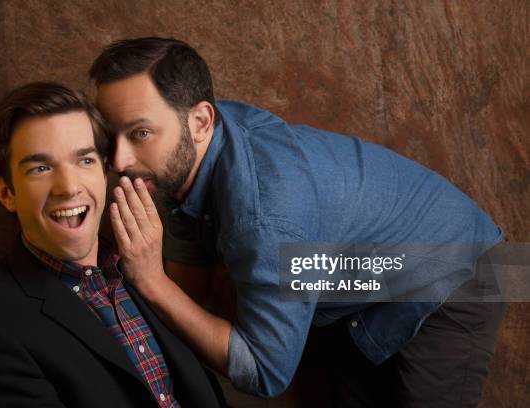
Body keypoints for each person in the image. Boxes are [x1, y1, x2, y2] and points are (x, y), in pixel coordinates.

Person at [90, 37, 507, 407]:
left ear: (201, 122)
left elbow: (266, 372)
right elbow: (190, 289)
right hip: (367, 271)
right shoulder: (196, 147)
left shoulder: (263, 217)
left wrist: (151, 283)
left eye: (141, 134)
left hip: (462, 265)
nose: (119, 162)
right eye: (113, 137)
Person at [0, 82, 225, 408]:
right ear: (6, 193)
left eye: (85, 161)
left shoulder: (139, 267)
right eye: (41, 168)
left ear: (104, 172)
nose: (69, 186)